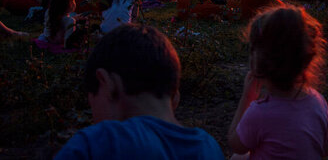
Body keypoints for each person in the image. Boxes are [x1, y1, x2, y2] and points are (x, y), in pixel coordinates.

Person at [55, 24, 224, 159]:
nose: (94, 118)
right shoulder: (208, 147)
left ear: (106, 84)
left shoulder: (97, 145)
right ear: (175, 96)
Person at [228, 6, 328, 159]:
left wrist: (247, 97)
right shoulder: (318, 102)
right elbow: (327, 149)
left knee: (238, 157)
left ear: (258, 62)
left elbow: (235, 144)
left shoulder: (260, 113)